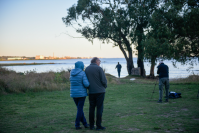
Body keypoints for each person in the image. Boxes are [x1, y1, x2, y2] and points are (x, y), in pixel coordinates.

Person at [85, 57, 107, 130]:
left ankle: (91, 125)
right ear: (96, 61)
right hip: (100, 91)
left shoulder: (87, 69)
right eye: (99, 61)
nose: (100, 62)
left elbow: (85, 81)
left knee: (91, 108)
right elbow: (103, 80)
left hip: (91, 92)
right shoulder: (99, 68)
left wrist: (88, 88)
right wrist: (105, 86)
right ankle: (98, 125)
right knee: (99, 108)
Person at [70, 61, 90, 130]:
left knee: (79, 109)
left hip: (74, 94)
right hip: (81, 94)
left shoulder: (71, 73)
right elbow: (86, 84)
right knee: (80, 109)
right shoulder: (82, 73)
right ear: (81, 66)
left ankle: (85, 123)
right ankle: (77, 124)